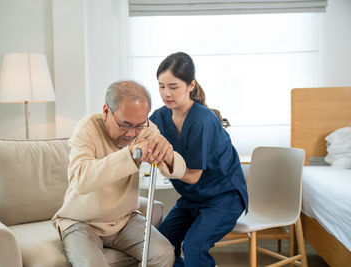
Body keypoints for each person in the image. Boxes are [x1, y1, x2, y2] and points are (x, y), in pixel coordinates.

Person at [52, 80, 187, 267]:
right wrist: (130, 155)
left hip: (124, 220)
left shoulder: (145, 129)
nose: (132, 133)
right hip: (81, 222)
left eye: (139, 124)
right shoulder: (88, 128)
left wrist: (168, 155)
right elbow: (80, 181)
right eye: (124, 124)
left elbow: (179, 170)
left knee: (164, 252)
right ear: (106, 111)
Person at [149, 52, 249, 267]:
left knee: (194, 245)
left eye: (173, 87)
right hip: (191, 199)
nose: (166, 93)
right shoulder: (159, 117)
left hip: (223, 198)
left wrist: (164, 159)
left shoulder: (202, 120)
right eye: (161, 86)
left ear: (190, 85)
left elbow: (193, 177)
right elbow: (139, 138)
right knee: (160, 246)